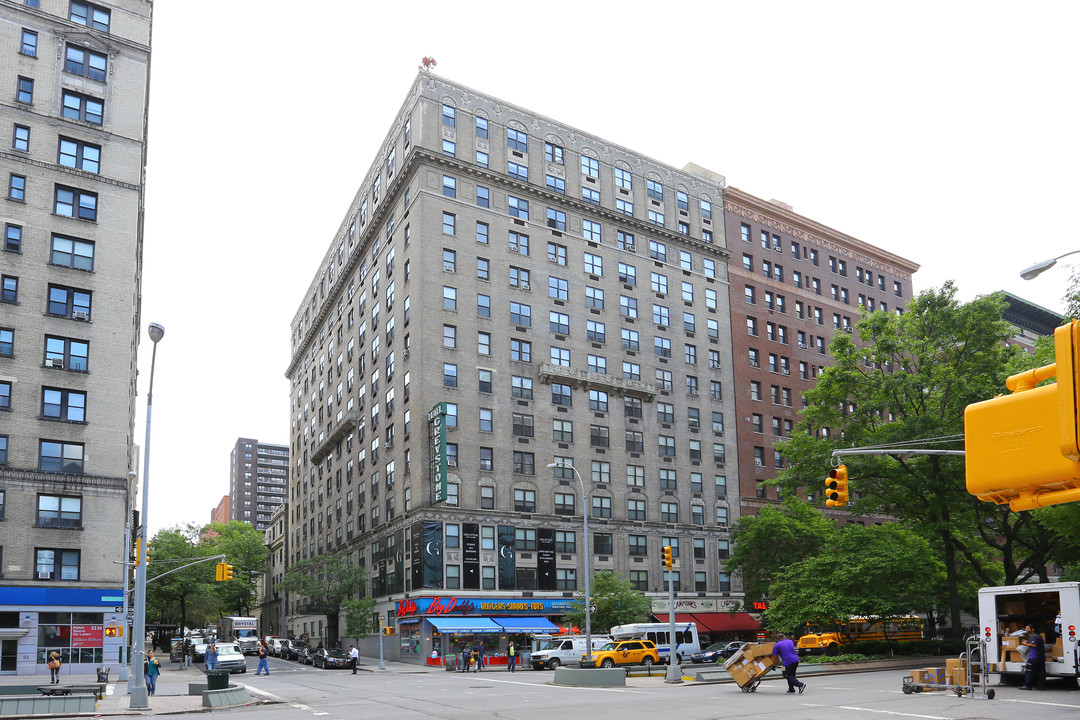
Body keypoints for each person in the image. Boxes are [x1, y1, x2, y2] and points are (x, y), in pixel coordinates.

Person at [1020, 624, 1046, 690]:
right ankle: (1041, 686)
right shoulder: (1039, 636)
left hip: (1033, 657)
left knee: (1029, 671)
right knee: (1041, 672)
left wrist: (1025, 644)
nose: (1026, 630)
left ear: (1033, 629)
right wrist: (1028, 642)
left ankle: (1028, 685)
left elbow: (1034, 645)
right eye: (1026, 628)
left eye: (1028, 628)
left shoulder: (1033, 636)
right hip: (1041, 657)